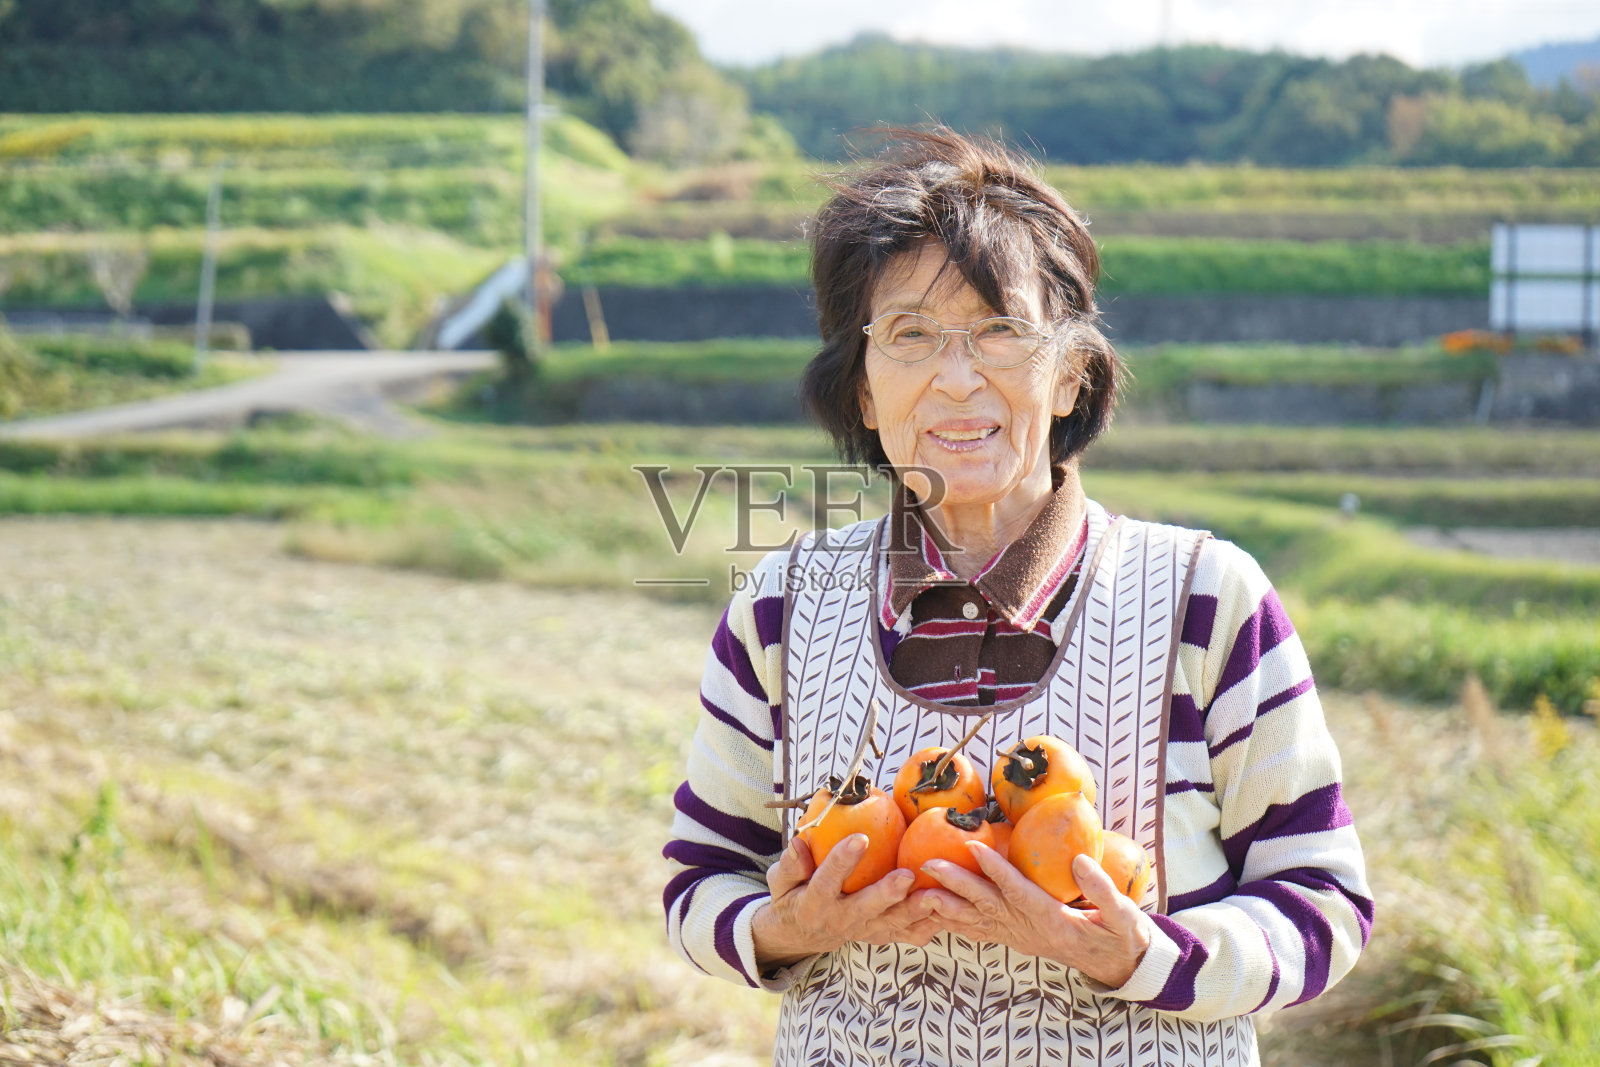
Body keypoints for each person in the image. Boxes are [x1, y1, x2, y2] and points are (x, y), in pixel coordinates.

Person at [663, 128, 1372, 1066]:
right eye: (910, 335)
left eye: (1000, 330)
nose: (958, 379)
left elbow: (1324, 902)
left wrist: (1143, 955)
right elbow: (698, 881)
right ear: (864, 392)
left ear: (1072, 372)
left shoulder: (1208, 599)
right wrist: (784, 928)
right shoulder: (779, 609)